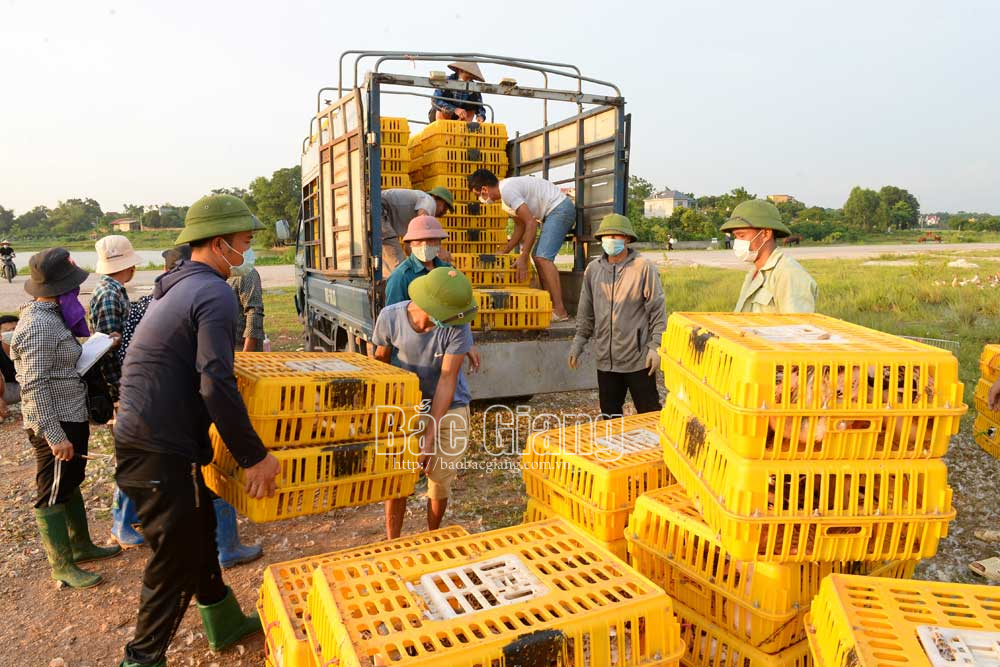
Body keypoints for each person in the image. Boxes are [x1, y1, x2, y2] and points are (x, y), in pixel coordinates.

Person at [113, 194, 280, 666]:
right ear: (220, 242)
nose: (246, 253)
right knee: (175, 559)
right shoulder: (213, 293)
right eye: (244, 243)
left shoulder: (178, 284)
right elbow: (216, 383)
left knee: (200, 524)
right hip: (158, 447)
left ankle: (222, 620)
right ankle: (141, 659)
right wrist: (253, 455)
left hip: (151, 436)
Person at [10, 248, 122, 589]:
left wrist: (101, 344)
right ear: (61, 289)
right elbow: (32, 384)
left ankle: (81, 545)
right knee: (52, 491)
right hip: (55, 420)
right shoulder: (39, 325)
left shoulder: (50, 316)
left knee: (69, 481)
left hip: (68, 413)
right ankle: (62, 565)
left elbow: (59, 360)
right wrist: (55, 436)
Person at [374, 267, 477, 539]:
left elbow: (447, 380)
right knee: (398, 478)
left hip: (449, 404)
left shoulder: (457, 324)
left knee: (439, 479)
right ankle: (392, 541)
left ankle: (432, 536)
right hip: (406, 404)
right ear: (430, 307)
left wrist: (429, 438)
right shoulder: (390, 317)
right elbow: (380, 362)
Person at [568, 214, 666, 417]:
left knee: (649, 413)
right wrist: (578, 343)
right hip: (606, 359)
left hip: (638, 359)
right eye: (606, 236)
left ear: (627, 239)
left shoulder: (642, 267)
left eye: (616, 236)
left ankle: (652, 448)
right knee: (610, 415)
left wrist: (655, 347)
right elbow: (586, 311)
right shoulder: (593, 270)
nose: (611, 240)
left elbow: (657, 311)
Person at [468, 169, 576, 321]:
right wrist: (505, 251)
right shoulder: (505, 202)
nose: (480, 199)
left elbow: (531, 222)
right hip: (552, 212)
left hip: (560, 209)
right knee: (537, 257)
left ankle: (560, 311)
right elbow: (521, 227)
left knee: (543, 258)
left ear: (484, 189)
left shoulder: (508, 191)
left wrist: (523, 258)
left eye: (478, 194)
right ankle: (550, 305)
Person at [719, 199, 817, 313]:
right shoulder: (754, 272)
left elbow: (796, 328)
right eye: (735, 237)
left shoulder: (789, 274)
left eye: (742, 235)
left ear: (765, 234)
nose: (737, 242)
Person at [90, 234, 141, 403]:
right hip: (116, 373)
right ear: (130, 266)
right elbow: (107, 343)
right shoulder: (110, 294)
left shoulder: (113, 289)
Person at [381, 187, 454, 274]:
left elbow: (408, 248)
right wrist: (439, 250)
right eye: (445, 208)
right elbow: (422, 220)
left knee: (387, 267)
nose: (444, 212)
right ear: (439, 199)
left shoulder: (411, 217)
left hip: (377, 213)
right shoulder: (429, 201)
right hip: (380, 209)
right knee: (399, 268)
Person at [228, 265, 265, 352]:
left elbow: (254, 312)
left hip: (241, 348)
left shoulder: (247, 273)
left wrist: (247, 352)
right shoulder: (214, 272)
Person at [0, 314, 20, 419]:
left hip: (27, 385)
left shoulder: (30, 346)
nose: (14, 333)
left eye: (16, 329)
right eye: (9, 330)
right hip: (7, 388)